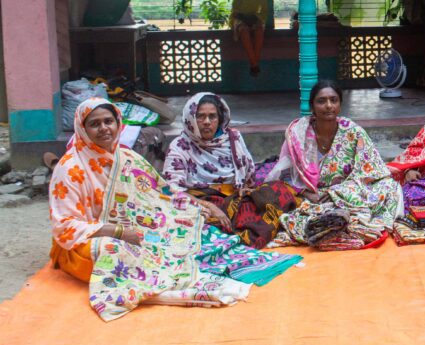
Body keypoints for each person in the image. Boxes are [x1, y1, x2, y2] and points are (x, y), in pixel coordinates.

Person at [48, 98, 298, 321]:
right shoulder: (71, 168)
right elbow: (65, 226)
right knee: (114, 251)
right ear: (83, 128)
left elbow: (159, 193)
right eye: (95, 124)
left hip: (136, 226)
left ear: (118, 123)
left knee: (185, 228)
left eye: (109, 121)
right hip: (88, 241)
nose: (104, 128)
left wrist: (195, 208)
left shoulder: (126, 157)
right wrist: (120, 232)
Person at [266, 80, 403, 250]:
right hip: (312, 195)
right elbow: (284, 175)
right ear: (312, 106)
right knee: (282, 203)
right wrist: (306, 193)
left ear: (340, 104)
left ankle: (341, 218)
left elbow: (372, 169)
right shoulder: (298, 135)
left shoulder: (353, 131)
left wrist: (337, 192)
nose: (328, 106)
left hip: (346, 192)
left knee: (388, 187)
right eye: (321, 101)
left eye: (333, 100)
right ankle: (334, 222)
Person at [164, 92, 300, 248]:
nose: (207, 122)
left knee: (279, 190)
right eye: (200, 117)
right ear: (190, 119)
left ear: (220, 118)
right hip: (204, 199)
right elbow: (173, 191)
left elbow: (248, 176)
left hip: (235, 198)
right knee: (198, 218)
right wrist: (210, 207)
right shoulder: (179, 146)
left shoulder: (232, 138)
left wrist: (245, 190)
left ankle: (240, 227)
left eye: (212, 116)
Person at [229, 0, 269, 76]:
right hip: (239, 17)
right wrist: (244, 18)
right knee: (244, 31)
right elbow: (235, 9)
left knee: (259, 31)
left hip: (254, 17)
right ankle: (254, 64)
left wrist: (256, 18)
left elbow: (264, 10)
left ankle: (254, 63)